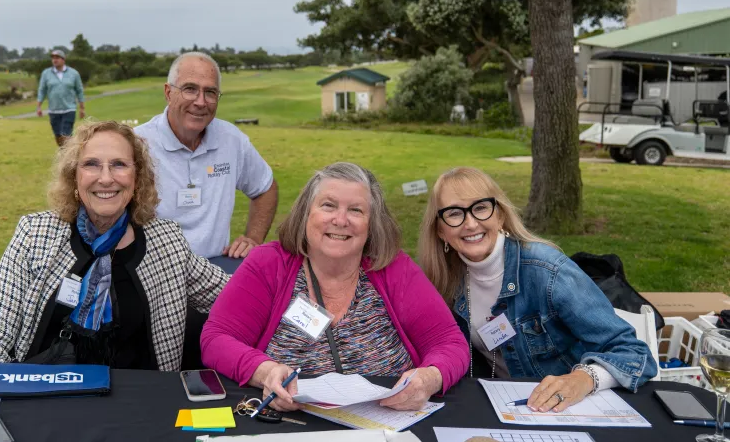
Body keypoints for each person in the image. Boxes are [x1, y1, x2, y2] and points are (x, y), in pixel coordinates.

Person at [201, 162, 470, 412]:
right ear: (306, 213)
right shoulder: (269, 264)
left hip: (384, 425)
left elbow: (450, 343)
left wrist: (430, 377)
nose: (341, 220)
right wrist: (264, 371)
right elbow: (216, 339)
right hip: (292, 425)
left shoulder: (393, 268)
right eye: (328, 206)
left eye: (356, 210)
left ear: (371, 224)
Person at [0, 120, 229, 369]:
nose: (105, 178)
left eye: (119, 165)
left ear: (137, 178)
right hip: (44, 398)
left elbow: (237, 296)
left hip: (140, 403)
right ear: (74, 178)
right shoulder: (35, 235)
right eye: (91, 164)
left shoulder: (167, 241)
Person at [419, 167, 657, 413]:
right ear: (440, 230)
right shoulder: (445, 279)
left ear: (499, 215)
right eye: (455, 213)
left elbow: (635, 354)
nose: (470, 223)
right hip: (498, 405)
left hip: (565, 410)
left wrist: (582, 380)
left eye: (480, 208)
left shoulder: (548, 271)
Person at [134, 52, 277, 273]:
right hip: (156, 275)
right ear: (168, 92)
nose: (201, 102)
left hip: (215, 271)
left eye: (210, 92)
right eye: (190, 89)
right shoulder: (136, 144)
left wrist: (253, 238)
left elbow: (265, 188)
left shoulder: (231, 139)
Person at [37, 49, 85, 147]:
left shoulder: (73, 73)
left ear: (63, 59)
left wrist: (82, 108)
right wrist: (39, 107)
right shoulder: (46, 74)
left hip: (69, 109)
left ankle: (68, 155)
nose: (55, 60)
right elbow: (42, 90)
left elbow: (79, 90)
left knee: (66, 134)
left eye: (57, 58)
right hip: (53, 110)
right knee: (58, 135)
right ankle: (64, 152)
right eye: (53, 58)